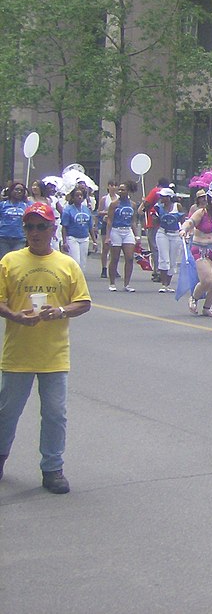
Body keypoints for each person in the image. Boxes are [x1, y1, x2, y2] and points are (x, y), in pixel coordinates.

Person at [0, 201, 92, 494]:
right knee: (7, 412)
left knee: (55, 413)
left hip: (54, 355)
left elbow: (83, 302)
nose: (35, 232)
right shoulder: (10, 262)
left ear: (53, 229)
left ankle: (52, 468)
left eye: (41, 226)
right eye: (30, 227)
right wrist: (14, 315)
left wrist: (61, 311)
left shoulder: (66, 264)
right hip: (18, 354)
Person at [181, 182, 212, 317]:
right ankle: (193, 298)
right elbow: (190, 222)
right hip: (201, 249)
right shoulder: (201, 212)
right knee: (207, 280)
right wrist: (184, 229)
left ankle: (207, 307)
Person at [105, 182, 139, 292]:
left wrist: (136, 235)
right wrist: (107, 236)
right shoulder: (114, 204)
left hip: (127, 230)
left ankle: (127, 284)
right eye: (119, 189)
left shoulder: (132, 204)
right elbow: (109, 220)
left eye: (123, 190)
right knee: (114, 258)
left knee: (129, 258)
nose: (120, 191)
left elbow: (133, 221)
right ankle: (112, 282)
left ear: (128, 191)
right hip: (116, 230)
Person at [153, 189, 185, 294]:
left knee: (173, 260)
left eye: (164, 196)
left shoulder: (177, 206)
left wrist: (184, 231)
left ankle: (168, 284)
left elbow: (182, 220)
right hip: (163, 233)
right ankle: (164, 284)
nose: (162, 198)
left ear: (170, 197)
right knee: (164, 258)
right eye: (161, 196)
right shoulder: (158, 207)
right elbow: (156, 221)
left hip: (175, 234)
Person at [60, 187, 97, 271]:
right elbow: (64, 227)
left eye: (81, 195)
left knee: (82, 263)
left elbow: (90, 227)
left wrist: (94, 241)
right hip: (72, 238)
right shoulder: (68, 210)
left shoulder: (86, 210)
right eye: (77, 195)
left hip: (84, 238)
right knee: (76, 261)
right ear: (73, 197)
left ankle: (80, 280)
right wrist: (65, 241)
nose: (79, 197)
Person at [0, 182, 30, 257]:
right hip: (3, 238)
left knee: (17, 260)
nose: (19, 192)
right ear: (11, 191)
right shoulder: (3, 205)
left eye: (21, 190)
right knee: (4, 260)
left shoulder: (26, 206)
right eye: (16, 189)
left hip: (19, 238)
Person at [98, 180, 119, 279]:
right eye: (112, 185)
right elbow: (99, 211)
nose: (114, 187)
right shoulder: (104, 199)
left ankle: (114, 268)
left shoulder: (119, 199)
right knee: (105, 247)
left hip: (116, 224)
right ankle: (104, 268)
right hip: (106, 223)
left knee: (115, 248)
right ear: (108, 187)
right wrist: (107, 213)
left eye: (115, 185)